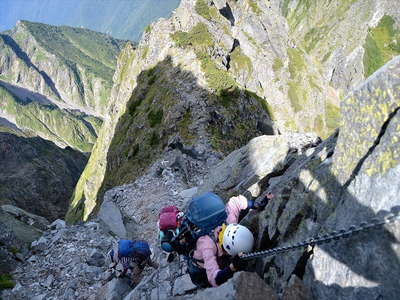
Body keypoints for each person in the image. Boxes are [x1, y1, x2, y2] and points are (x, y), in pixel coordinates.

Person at [189, 192, 273, 287]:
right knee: (208, 286)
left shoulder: (230, 221)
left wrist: (258, 204)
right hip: (200, 269)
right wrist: (232, 268)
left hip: (218, 256)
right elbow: (213, 278)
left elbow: (236, 202)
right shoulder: (207, 245)